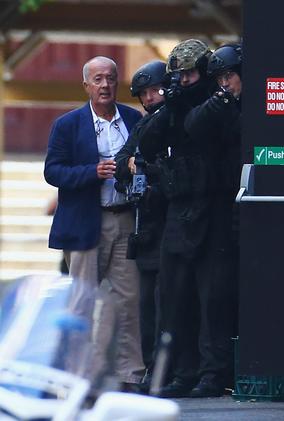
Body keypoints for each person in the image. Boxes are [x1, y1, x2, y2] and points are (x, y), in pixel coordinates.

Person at [44, 56, 145, 393]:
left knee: (128, 301)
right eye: (98, 79)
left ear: (118, 83)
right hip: (86, 223)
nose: (105, 85)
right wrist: (92, 172)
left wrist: (136, 168)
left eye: (111, 79)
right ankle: (76, 375)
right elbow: (53, 171)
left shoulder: (133, 119)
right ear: (86, 85)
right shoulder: (68, 124)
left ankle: (130, 375)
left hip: (125, 219)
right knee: (82, 302)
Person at [137, 39, 215, 398]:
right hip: (179, 212)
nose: (183, 81)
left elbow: (203, 130)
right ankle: (180, 374)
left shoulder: (216, 104)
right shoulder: (173, 105)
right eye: (178, 76)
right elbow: (147, 142)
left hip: (212, 213)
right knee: (173, 298)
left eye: (189, 74)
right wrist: (170, 104)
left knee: (210, 298)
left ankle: (210, 374)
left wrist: (182, 103)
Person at [183, 43, 242, 397]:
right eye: (219, 77)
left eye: (229, 76)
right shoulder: (218, 105)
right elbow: (192, 125)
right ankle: (216, 371)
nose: (225, 83)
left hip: (261, 207)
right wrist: (218, 100)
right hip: (225, 210)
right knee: (218, 295)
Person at [115, 60, 167, 387]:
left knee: (168, 304)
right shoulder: (143, 126)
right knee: (146, 305)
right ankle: (151, 367)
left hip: (175, 222)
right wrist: (134, 165)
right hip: (146, 226)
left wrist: (145, 165)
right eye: (144, 93)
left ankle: (170, 369)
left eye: (155, 90)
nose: (150, 97)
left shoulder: (179, 121)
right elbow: (122, 164)